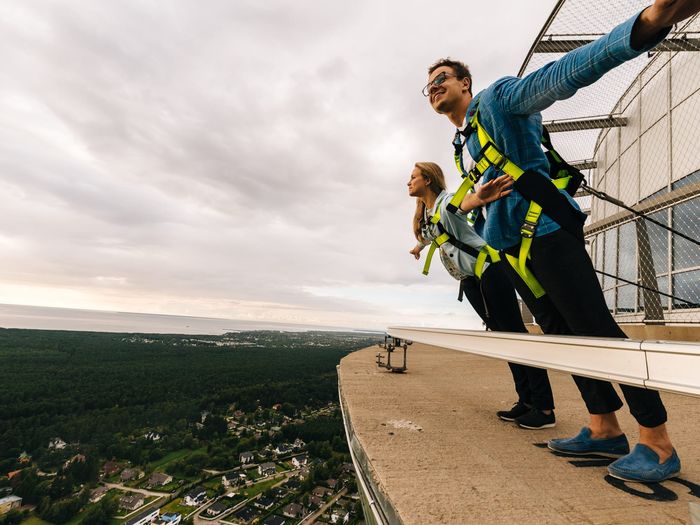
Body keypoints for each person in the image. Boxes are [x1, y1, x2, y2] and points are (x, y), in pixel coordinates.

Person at [422, 0, 700, 482]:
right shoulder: (463, 144)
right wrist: (473, 204)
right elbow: (463, 205)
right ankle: (603, 429)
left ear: (464, 83)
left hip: (546, 234)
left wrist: (646, 25)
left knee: (597, 330)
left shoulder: (499, 99)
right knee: (564, 338)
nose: (434, 87)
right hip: (514, 250)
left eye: (442, 77)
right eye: (428, 86)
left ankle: (656, 442)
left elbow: (563, 73)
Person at [407, 161, 556, 429]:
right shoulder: (428, 214)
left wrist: (479, 198)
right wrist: (418, 247)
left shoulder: (446, 201)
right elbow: (431, 236)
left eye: (413, 177)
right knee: (503, 337)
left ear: (427, 180)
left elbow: (463, 204)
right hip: (471, 279)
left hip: (489, 269)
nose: (409, 182)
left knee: (515, 335)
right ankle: (526, 401)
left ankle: (544, 408)